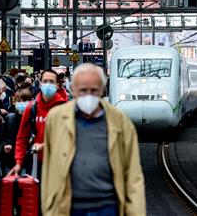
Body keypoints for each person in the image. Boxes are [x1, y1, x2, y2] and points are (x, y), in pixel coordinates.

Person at [41, 63, 146, 216]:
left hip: (108, 208)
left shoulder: (120, 122)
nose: (88, 95)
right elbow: (49, 169)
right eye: (83, 90)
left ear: (102, 91)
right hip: (68, 207)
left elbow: (133, 175)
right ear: (73, 90)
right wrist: (49, 209)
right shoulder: (56, 119)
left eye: (94, 90)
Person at [8, 69, 67, 177]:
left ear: (57, 85)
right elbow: (22, 137)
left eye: (51, 82)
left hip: (59, 163)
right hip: (35, 163)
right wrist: (19, 162)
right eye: (45, 81)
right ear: (39, 83)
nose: (48, 84)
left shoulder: (64, 108)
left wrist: (45, 146)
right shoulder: (31, 108)